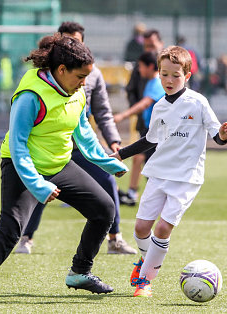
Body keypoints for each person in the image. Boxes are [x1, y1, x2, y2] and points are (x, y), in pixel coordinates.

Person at [0, 33, 128, 305]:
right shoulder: (31, 96)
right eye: (80, 77)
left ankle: (79, 272)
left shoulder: (76, 92)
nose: (84, 83)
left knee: (104, 209)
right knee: (12, 229)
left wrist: (107, 163)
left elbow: (83, 132)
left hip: (59, 164)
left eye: (87, 76)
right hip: (22, 167)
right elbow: (17, 146)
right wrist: (37, 184)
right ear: (61, 70)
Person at [110, 46, 227, 298]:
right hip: (158, 174)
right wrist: (121, 154)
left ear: (187, 76)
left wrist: (222, 135)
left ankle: (144, 281)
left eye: (175, 75)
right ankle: (145, 263)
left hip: (186, 178)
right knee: (141, 228)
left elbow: (215, 134)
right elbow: (150, 140)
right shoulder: (159, 107)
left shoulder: (198, 102)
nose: (169, 80)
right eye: (164, 74)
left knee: (163, 229)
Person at [16, 21, 136, 255]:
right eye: (67, 41)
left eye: (77, 41)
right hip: (49, 145)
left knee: (106, 183)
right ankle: (26, 237)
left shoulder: (92, 73)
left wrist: (112, 143)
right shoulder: (38, 80)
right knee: (41, 188)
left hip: (79, 141)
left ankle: (114, 239)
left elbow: (101, 111)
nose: (81, 81)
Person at [120, 29, 164, 205]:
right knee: (144, 160)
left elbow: (146, 102)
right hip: (147, 125)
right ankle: (138, 194)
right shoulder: (143, 68)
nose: (148, 48)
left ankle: (153, 195)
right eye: (146, 45)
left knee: (149, 162)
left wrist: (123, 115)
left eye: (151, 45)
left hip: (160, 128)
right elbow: (133, 91)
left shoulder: (166, 70)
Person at [114, 52, 165, 130]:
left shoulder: (158, 82)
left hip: (156, 130)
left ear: (150, 66)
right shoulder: (150, 81)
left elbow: (144, 104)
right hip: (149, 128)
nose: (139, 69)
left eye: (141, 66)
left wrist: (122, 116)